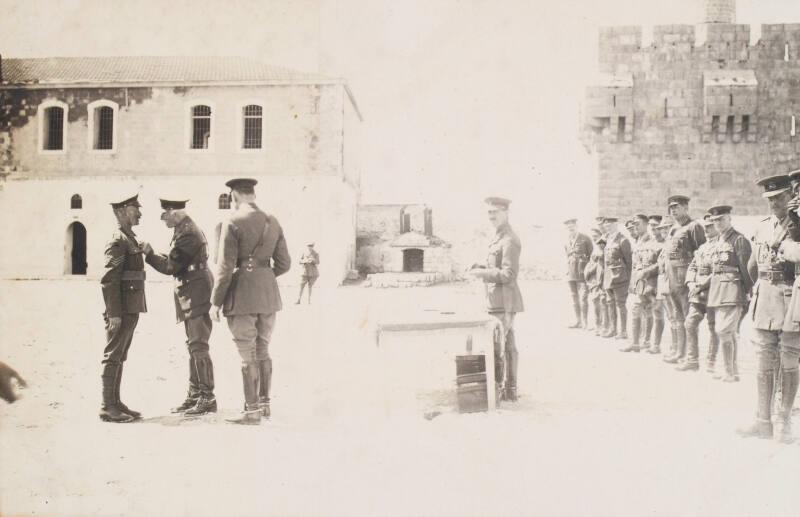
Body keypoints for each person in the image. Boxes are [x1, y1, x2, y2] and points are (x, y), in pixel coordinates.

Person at [211, 178, 291, 425]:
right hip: (268, 296)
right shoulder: (272, 221)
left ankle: (252, 411)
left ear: (234, 196)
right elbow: (284, 264)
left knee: (247, 353)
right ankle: (265, 405)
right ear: (253, 194)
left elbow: (225, 268)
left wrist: (215, 302)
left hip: (242, 296)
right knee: (263, 349)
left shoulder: (232, 222)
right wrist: (262, 276)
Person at [738, 175, 800, 443]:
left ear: (791, 196)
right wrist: (755, 289)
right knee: (764, 360)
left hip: (790, 299)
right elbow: (752, 265)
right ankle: (763, 420)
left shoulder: (798, 224)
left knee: (789, 360)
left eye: (779, 197)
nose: (774, 203)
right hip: (765, 299)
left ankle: (783, 421)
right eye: (770, 199)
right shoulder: (763, 226)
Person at [142, 197, 217, 416]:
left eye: (164, 216)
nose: (163, 220)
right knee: (193, 344)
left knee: (198, 345)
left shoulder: (188, 233)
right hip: (192, 288)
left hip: (196, 290)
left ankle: (207, 397)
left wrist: (149, 254)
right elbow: (175, 260)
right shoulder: (184, 228)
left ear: (173, 212)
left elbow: (170, 266)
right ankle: (195, 395)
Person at [467, 197, 524, 402]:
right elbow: (496, 267)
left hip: (504, 302)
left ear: (506, 212)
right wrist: (481, 267)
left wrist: (482, 274)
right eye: (489, 212)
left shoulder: (509, 239)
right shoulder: (499, 237)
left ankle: (501, 390)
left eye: (495, 212)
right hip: (496, 301)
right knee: (506, 346)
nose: (491, 216)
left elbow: (509, 274)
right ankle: (509, 389)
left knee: (499, 347)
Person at [99, 193, 148, 423]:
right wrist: (114, 313)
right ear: (121, 211)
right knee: (113, 355)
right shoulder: (118, 240)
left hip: (131, 307)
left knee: (120, 355)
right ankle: (107, 406)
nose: (139, 213)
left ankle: (116, 402)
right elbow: (109, 279)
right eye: (135, 209)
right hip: (121, 310)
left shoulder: (129, 238)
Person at [705, 205, 752, 383]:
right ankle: (731, 371)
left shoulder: (739, 240)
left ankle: (729, 372)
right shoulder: (717, 240)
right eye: (715, 220)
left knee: (723, 331)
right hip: (718, 290)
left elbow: (747, 269)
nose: (717, 223)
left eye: (721, 219)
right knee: (728, 332)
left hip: (733, 289)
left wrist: (748, 291)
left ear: (729, 219)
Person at [662, 195, 706, 364]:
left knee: (689, 319)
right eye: (671, 208)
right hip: (672, 279)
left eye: (677, 207)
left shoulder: (694, 227)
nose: (673, 210)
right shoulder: (673, 228)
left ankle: (690, 356)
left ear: (686, 208)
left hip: (686, 279)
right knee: (678, 317)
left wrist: (695, 280)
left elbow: (701, 254)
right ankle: (680, 352)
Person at [624, 214, 655, 352]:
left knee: (648, 310)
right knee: (636, 309)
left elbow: (657, 263)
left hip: (649, 281)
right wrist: (632, 283)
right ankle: (636, 342)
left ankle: (646, 341)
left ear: (646, 224)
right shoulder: (637, 242)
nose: (635, 227)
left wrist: (647, 274)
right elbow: (634, 266)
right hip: (638, 282)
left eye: (638, 224)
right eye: (634, 224)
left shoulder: (652, 241)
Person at [601, 217, 632, 339]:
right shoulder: (607, 239)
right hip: (608, 277)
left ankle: (623, 331)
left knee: (620, 304)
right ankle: (613, 329)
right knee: (610, 303)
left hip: (620, 278)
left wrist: (629, 279)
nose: (608, 227)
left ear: (616, 225)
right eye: (606, 225)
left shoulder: (623, 240)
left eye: (610, 225)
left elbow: (629, 262)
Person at [564, 219, 593, 328]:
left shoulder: (585, 239)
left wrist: (588, 272)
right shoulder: (567, 241)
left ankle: (585, 322)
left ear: (576, 226)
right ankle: (578, 321)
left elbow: (591, 257)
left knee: (583, 298)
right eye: (568, 228)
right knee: (574, 298)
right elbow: (568, 256)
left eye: (572, 227)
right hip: (571, 273)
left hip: (582, 273)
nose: (570, 229)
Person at [651, 216, 674, 355]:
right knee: (659, 312)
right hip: (662, 283)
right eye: (662, 228)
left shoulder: (673, 243)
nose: (664, 231)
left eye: (667, 228)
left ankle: (676, 348)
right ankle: (657, 345)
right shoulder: (665, 244)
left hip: (671, 283)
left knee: (673, 316)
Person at [584, 228, 606, 335]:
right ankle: (598, 325)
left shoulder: (603, 247)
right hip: (593, 280)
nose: (594, 238)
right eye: (592, 236)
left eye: (596, 236)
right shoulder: (595, 248)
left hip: (601, 279)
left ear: (600, 235)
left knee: (602, 303)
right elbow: (591, 262)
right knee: (595, 302)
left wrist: (590, 270)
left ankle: (604, 326)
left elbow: (600, 264)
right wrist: (587, 272)